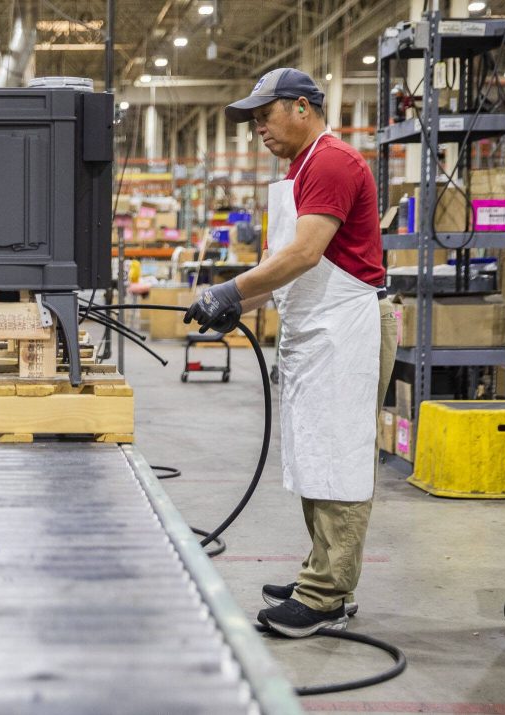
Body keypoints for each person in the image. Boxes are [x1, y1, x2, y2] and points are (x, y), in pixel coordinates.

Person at [187, 68, 398, 638]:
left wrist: (230, 289)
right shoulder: (301, 167)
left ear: (301, 107)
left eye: (264, 115)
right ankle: (325, 575)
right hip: (318, 327)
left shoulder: (330, 163)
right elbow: (295, 267)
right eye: (253, 119)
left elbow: (305, 254)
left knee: (340, 462)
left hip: (346, 328)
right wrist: (245, 303)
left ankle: (325, 596)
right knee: (316, 455)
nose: (258, 127)